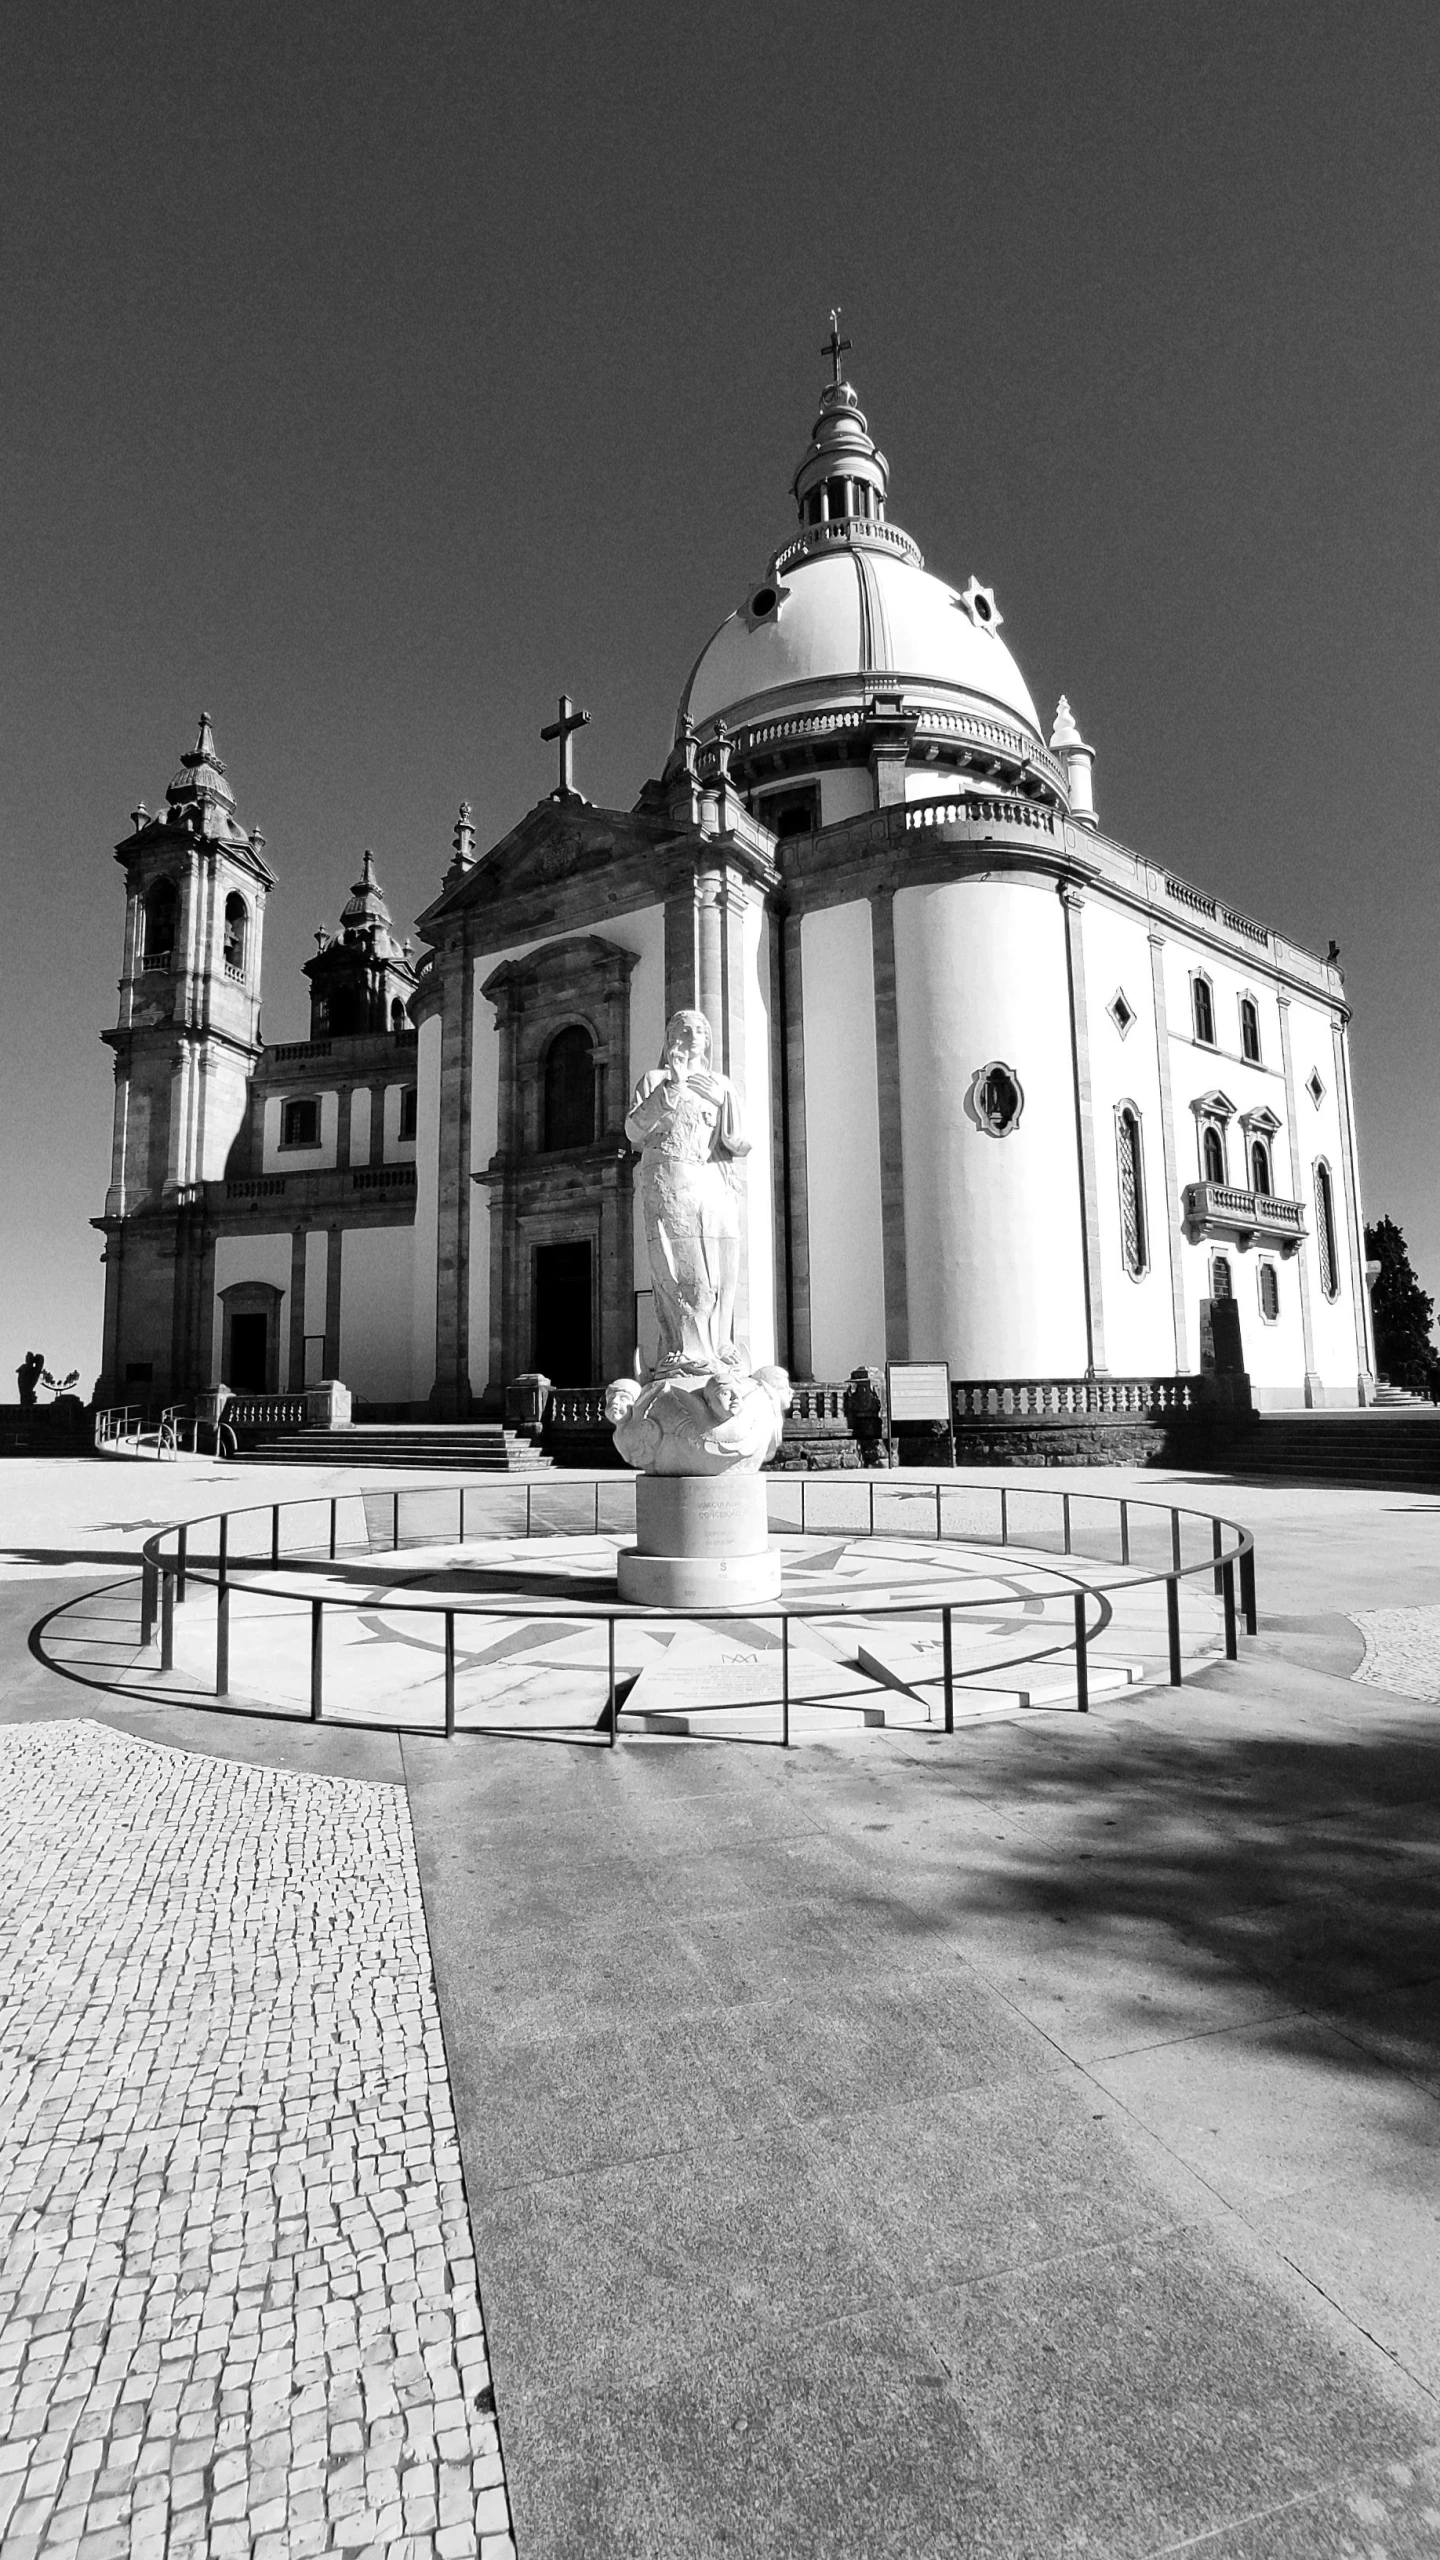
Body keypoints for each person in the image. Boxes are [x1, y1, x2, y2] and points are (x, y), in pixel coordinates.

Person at [625, 1009, 749, 1375]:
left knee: (723, 1266)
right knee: (680, 1265)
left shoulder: (721, 1085)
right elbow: (634, 1130)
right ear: (671, 1037)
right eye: (685, 1028)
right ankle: (685, 1348)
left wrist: (725, 1102)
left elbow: (738, 1142)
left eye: (701, 1030)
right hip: (669, 1176)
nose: (694, 1034)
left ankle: (720, 1344)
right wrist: (672, 1089)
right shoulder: (656, 1080)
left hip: (714, 1180)